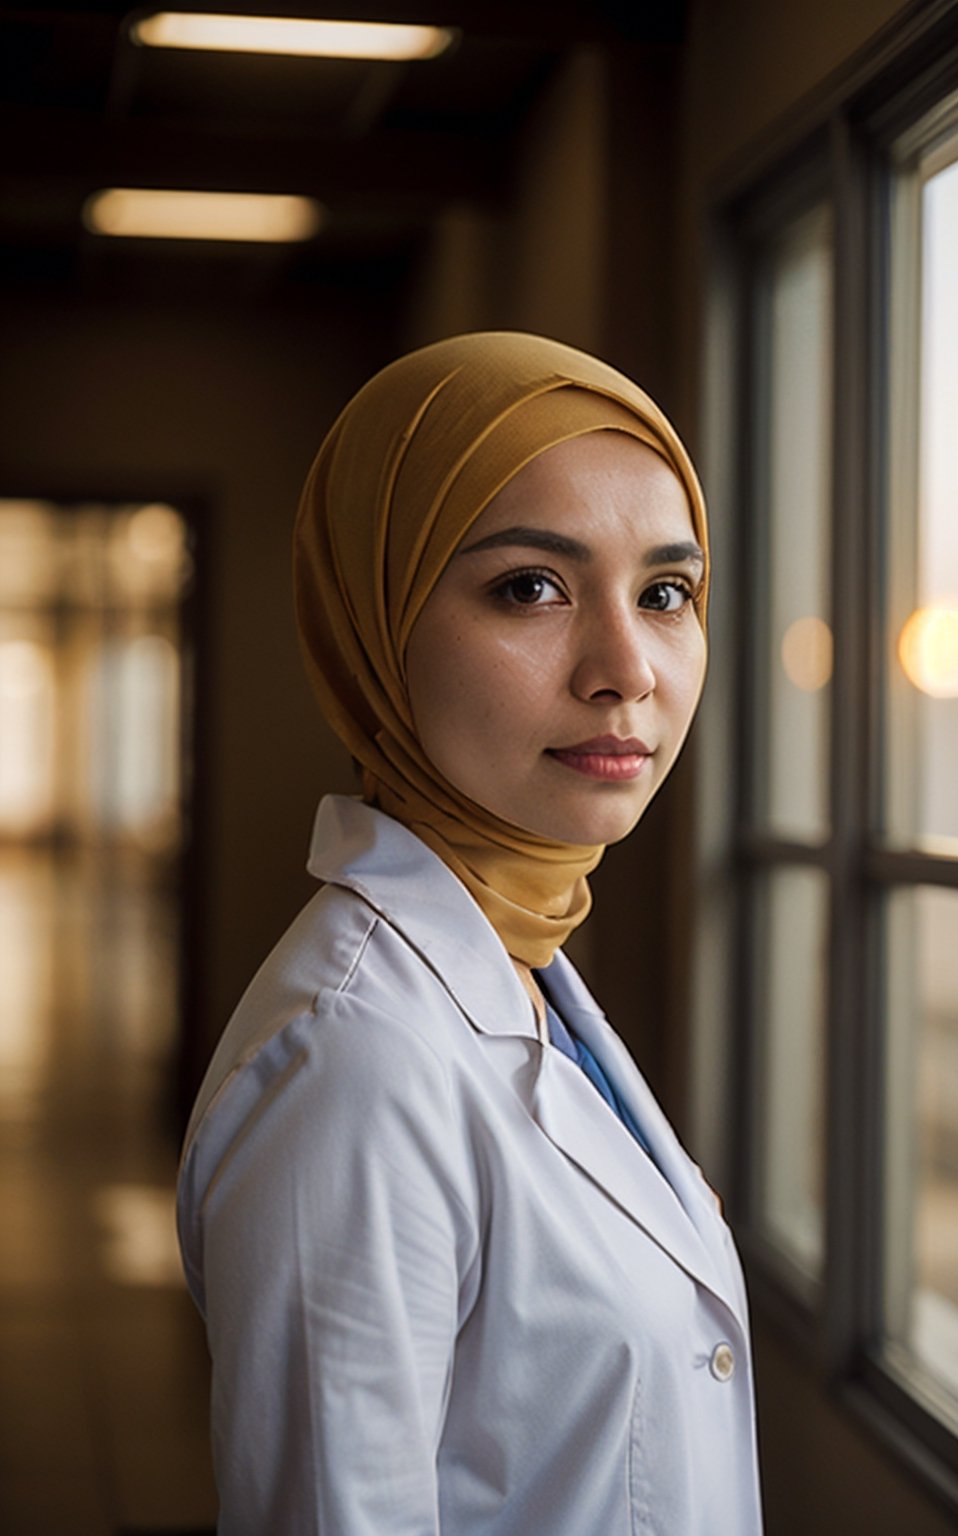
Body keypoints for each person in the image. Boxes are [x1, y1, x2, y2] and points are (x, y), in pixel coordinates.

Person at [177, 331, 762, 1535]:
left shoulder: (521, 955)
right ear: (376, 623)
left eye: (665, 593)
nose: (625, 669)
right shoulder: (352, 1061)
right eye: (530, 587)